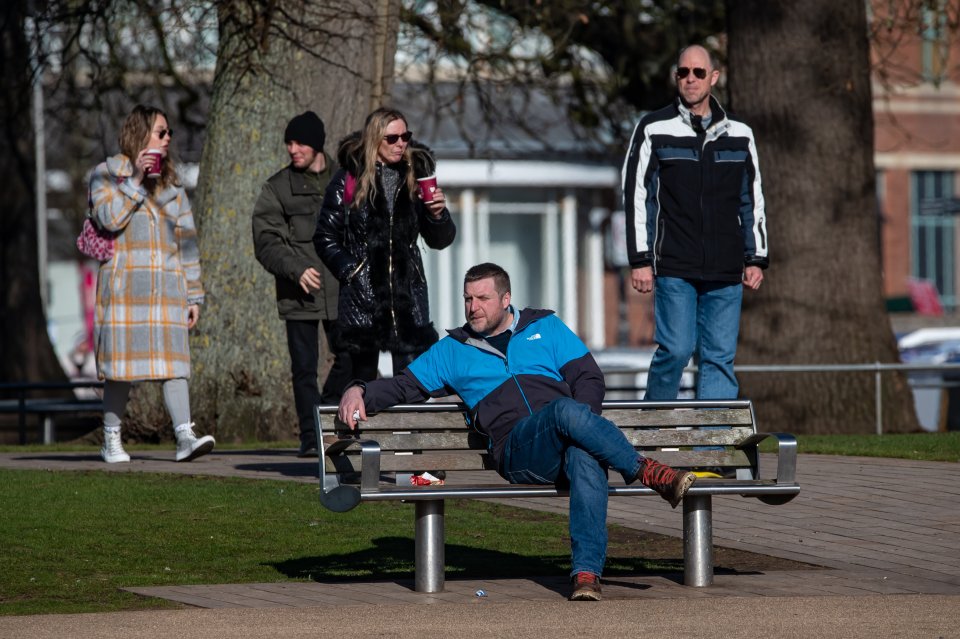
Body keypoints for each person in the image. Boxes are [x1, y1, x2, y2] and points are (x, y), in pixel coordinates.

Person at [337, 263, 696, 601]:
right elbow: (404, 386)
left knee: (585, 454)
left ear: (506, 300)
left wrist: (582, 428)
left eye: (482, 298)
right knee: (564, 412)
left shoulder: (546, 327)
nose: (472, 307)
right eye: (467, 299)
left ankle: (586, 575)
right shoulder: (452, 350)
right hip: (517, 450)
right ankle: (646, 471)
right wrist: (359, 389)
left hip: (566, 436)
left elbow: (589, 378)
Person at [621, 44, 768, 403]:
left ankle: (712, 451)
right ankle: (653, 438)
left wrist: (756, 256)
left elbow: (752, 198)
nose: (690, 79)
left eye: (698, 72)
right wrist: (640, 260)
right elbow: (635, 194)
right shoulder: (654, 128)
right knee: (676, 349)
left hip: (726, 267)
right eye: (683, 72)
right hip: (674, 264)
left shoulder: (740, 134)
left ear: (713, 78)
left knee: (719, 359)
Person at [90, 104, 214, 463]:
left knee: (175, 366)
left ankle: (184, 436)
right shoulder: (106, 175)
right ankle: (111, 439)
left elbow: (187, 243)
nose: (167, 138)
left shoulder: (172, 184)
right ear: (140, 134)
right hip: (125, 291)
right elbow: (108, 219)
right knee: (119, 370)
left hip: (167, 290)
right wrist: (134, 182)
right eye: (161, 132)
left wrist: (194, 295)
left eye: (169, 133)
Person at [314, 107, 456, 384]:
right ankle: (355, 429)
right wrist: (353, 272)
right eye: (392, 138)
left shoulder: (416, 175)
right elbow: (324, 236)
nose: (401, 143)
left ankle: (414, 429)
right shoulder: (348, 179)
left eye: (405, 136)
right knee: (360, 383)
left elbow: (440, 240)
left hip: (408, 297)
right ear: (374, 140)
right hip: (363, 297)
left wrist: (437, 214)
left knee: (414, 382)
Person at [252, 111, 351, 457]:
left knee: (352, 356)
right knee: (304, 369)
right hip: (300, 294)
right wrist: (295, 270)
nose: (293, 149)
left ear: (317, 145)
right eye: (289, 144)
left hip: (343, 291)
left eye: (300, 143)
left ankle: (333, 421)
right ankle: (311, 438)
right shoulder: (277, 188)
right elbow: (265, 241)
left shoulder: (347, 178)